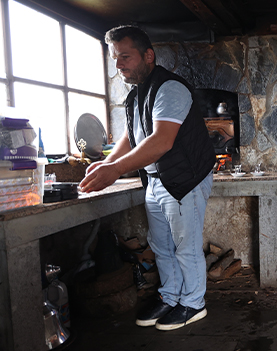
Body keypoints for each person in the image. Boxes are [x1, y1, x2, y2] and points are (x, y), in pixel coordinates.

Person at [79, 25, 216, 330]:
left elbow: (161, 141)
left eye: (125, 56)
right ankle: (170, 297)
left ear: (148, 55)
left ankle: (194, 304)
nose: (119, 65)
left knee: (186, 246)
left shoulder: (169, 88)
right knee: (162, 245)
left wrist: (113, 171)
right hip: (156, 180)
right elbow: (132, 137)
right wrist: (105, 163)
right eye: (116, 58)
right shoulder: (136, 96)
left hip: (184, 179)